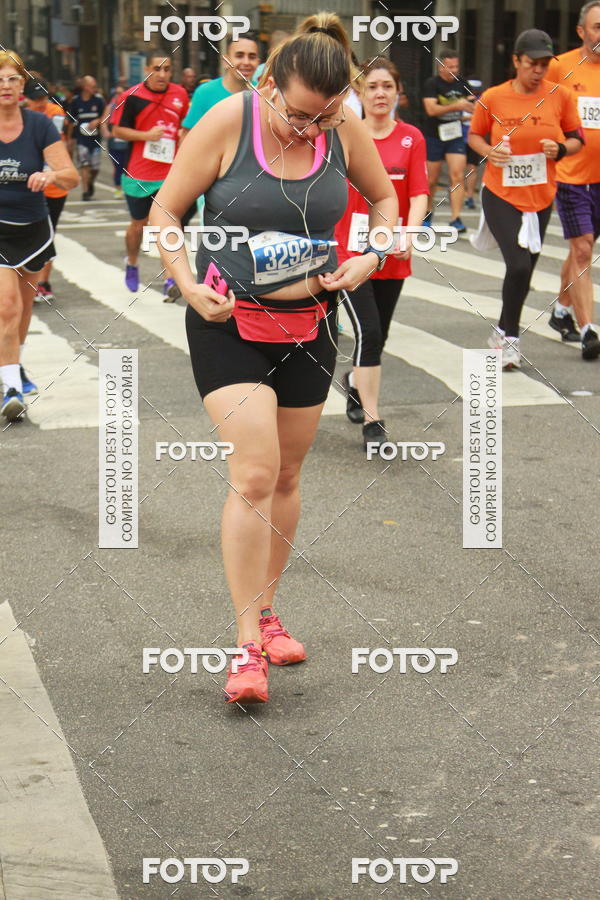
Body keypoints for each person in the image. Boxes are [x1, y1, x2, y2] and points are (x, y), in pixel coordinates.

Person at [149, 13, 397, 704]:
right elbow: (166, 213)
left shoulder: (342, 125)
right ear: (269, 86)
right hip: (228, 323)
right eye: (300, 115)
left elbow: (385, 198)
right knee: (254, 473)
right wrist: (186, 283)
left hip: (310, 325)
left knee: (286, 476)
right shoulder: (228, 121)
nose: (313, 129)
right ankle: (244, 647)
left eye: (326, 117)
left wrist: (371, 254)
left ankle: (267, 610)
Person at [468, 29, 583, 370]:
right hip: (501, 193)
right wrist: (489, 151)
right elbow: (474, 135)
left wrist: (560, 148)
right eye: (532, 63)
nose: (538, 70)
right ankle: (511, 340)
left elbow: (577, 139)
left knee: (525, 272)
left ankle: (501, 331)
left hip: (541, 195)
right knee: (517, 265)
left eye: (544, 64)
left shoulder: (560, 96)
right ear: (516, 60)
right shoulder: (493, 97)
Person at [335, 57, 428, 451]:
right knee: (369, 333)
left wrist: (411, 230)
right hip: (350, 251)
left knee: (379, 335)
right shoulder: (344, 133)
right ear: (360, 92)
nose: (380, 93)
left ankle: (354, 381)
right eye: (372, 86)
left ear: (398, 92)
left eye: (387, 86)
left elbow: (419, 193)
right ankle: (373, 420)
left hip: (391, 251)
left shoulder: (411, 138)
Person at [0, 51, 79, 420]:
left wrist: (51, 175)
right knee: (7, 307)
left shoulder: (40, 124)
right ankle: (11, 389)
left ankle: (13, 366)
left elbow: (71, 176)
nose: (5, 85)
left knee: (24, 310)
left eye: (12, 79)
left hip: (33, 231)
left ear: (22, 85)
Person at [110, 52, 194, 296]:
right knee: (139, 225)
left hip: (170, 173)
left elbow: (185, 125)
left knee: (169, 225)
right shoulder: (131, 96)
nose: (162, 74)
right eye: (157, 69)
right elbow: (117, 131)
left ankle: (170, 279)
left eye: (167, 69)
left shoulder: (180, 94)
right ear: (147, 69)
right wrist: (146, 136)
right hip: (139, 174)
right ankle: (132, 262)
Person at [545, 0, 600, 359]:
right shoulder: (559, 67)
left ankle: (561, 310)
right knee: (582, 249)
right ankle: (589, 330)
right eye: (598, 28)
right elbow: (539, 108)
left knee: (582, 248)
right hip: (570, 176)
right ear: (581, 31)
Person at [23, 76, 69, 303]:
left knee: (47, 233)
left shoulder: (55, 112)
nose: (40, 103)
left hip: (53, 186)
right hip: (25, 185)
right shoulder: (18, 114)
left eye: (43, 98)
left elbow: (58, 142)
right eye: (35, 99)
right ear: (26, 98)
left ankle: (43, 282)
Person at [422, 50, 475, 233]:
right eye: (450, 67)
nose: (454, 70)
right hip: (434, 135)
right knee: (431, 179)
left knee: (457, 175)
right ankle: (427, 213)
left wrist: (471, 108)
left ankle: (455, 218)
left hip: (455, 135)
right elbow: (431, 109)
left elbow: (472, 104)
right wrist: (457, 106)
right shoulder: (432, 84)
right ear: (441, 67)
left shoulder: (463, 83)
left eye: (456, 66)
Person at [181, 33, 260, 135]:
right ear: (226, 61)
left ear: (258, 62)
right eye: (239, 56)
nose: (246, 62)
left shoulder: (264, 94)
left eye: (252, 57)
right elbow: (187, 136)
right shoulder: (205, 93)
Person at [67, 75, 104, 201]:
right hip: (81, 139)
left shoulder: (98, 100)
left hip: (95, 138)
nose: (94, 88)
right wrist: (70, 139)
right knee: (84, 163)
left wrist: (97, 121)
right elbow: (71, 121)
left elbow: (105, 116)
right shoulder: (76, 101)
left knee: (95, 167)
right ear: (85, 87)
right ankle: (85, 191)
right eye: (92, 86)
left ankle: (90, 181)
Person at [102, 86, 128, 198]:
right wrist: (106, 132)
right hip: (114, 143)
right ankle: (118, 189)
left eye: (121, 93)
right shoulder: (110, 107)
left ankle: (127, 189)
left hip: (127, 142)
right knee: (118, 166)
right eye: (116, 93)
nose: (118, 95)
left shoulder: (130, 106)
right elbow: (103, 122)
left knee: (127, 167)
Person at [462, 77, 483, 209]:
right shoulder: (460, 99)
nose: (473, 93)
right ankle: (456, 192)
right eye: (471, 90)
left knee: (472, 167)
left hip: (474, 137)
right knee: (457, 168)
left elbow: (483, 117)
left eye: (476, 91)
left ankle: (469, 196)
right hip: (459, 137)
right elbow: (456, 116)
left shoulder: (482, 101)